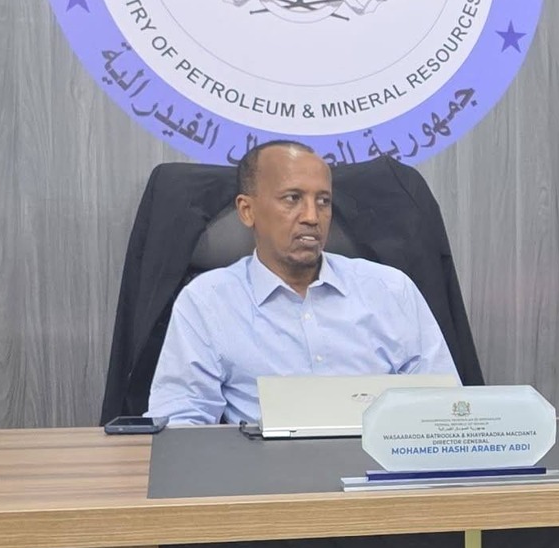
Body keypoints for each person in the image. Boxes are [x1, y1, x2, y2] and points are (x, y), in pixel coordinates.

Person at [147, 140, 458, 426]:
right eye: (292, 198)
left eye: (323, 201)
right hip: (265, 466)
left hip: (376, 464)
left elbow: (442, 408)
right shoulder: (208, 301)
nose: (312, 216)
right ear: (247, 210)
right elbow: (179, 423)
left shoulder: (391, 290)